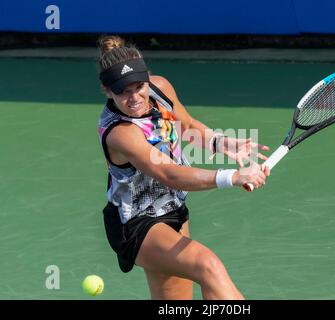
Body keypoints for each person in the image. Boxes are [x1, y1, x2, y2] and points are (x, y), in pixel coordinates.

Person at [97, 35, 270, 300]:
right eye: (123, 91)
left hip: (173, 209)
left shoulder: (160, 88)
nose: (134, 97)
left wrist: (221, 143)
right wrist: (231, 176)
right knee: (208, 266)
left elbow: (187, 125)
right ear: (107, 91)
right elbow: (169, 173)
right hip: (136, 224)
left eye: (139, 86)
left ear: (148, 78)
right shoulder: (120, 133)